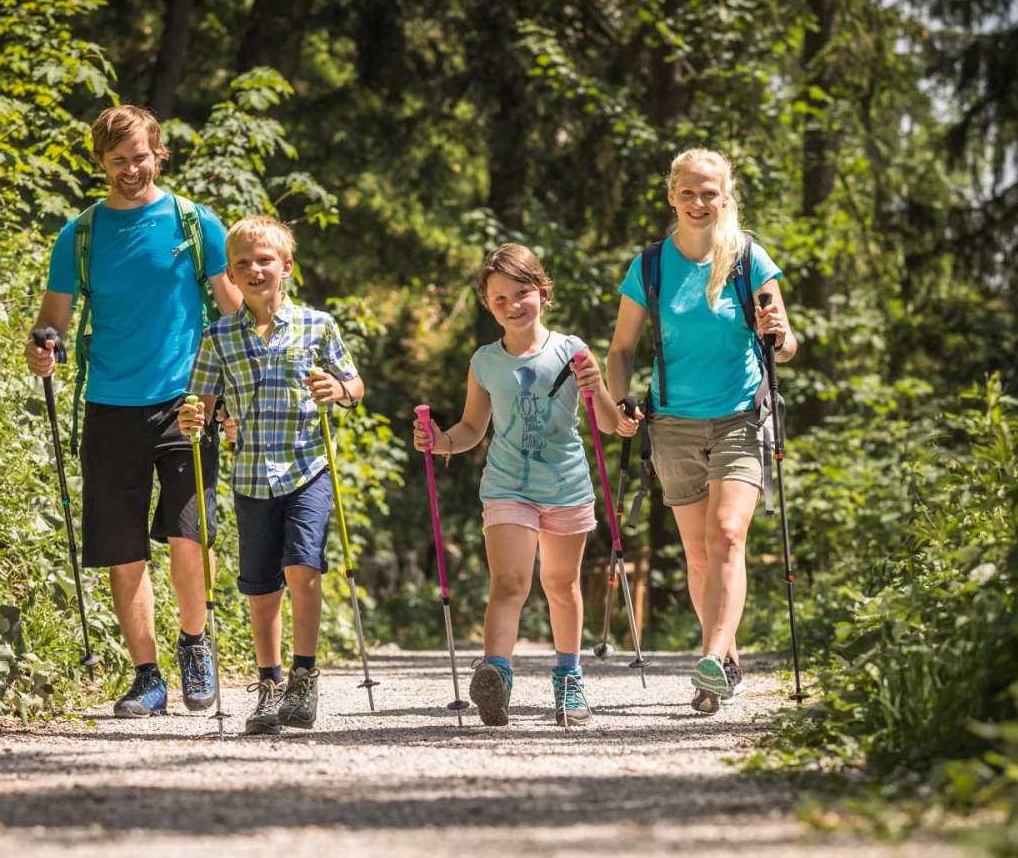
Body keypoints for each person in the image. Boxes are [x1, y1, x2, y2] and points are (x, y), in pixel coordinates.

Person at [24, 105, 241, 718]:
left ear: (158, 154)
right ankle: (148, 677)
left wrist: (244, 389)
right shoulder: (80, 236)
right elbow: (52, 319)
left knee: (190, 536)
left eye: (140, 157)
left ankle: (194, 646)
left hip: (187, 402)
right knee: (124, 549)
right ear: (100, 163)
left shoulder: (195, 223)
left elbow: (231, 312)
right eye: (118, 160)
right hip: (109, 405)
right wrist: (42, 347)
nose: (131, 169)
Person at [605, 147, 797, 714]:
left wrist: (780, 334)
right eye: (687, 192)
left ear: (725, 196)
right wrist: (620, 401)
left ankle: (709, 657)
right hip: (672, 425)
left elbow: (785, 346)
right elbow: (620, 349)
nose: (697, 202)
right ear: (671, 196)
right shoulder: (650, 267)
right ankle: (728, 660)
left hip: (741, 417)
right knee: (698, 556)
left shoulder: (748, 260)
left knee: (728, 536)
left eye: (708, 192)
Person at [412, 244, 636, 728]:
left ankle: (569, 677)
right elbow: (472, 429)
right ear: (488, 305)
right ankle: (496, 674)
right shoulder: (484, 361)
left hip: (567, 485)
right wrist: (440, 441)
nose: (512, 305)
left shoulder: (571, 350)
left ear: (542, 291)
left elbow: (607, 424)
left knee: (562, 584)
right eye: (500, 299)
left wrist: (596, 384)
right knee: (510, 582)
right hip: (507, 485)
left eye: (521, 293)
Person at [179, 216, 364, 735]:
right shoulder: (218, 336)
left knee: (304, 569)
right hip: (251, 476)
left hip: (308, 467)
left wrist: (339, 391)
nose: (255, 269)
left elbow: (354, 384)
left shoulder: (317, 325)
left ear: (287, 267)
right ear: (231, 275)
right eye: (243, 263)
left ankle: (304, 677)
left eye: (265, 260)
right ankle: (269, 685)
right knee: (262, 591)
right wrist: (192, 418)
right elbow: (200, 404)